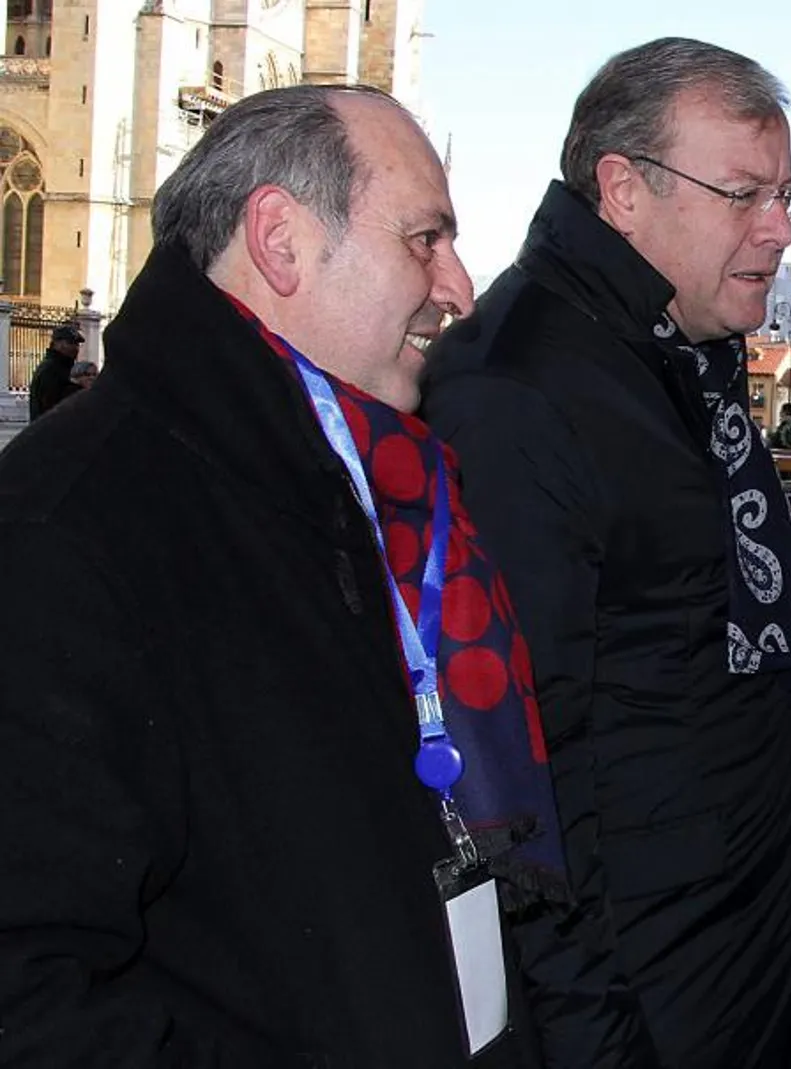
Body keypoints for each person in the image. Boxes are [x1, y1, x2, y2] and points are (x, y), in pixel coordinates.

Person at [0, 84, 568, 1066]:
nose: (460, 287)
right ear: (281, 239)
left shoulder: (362, 475)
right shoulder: (68, 528)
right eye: (425, 239)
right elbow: (35, 994)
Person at [420, 38, 791, 1068]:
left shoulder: (672, 352)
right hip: (648, 991)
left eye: (787, 193)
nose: (778, 228)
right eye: (743, 194)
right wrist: (595, 1042)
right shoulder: (519, 390)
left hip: (740, 942)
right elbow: (507, 778)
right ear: (623, 192)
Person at [26, 323, 85, 419]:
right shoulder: (51, 369)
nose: (75, 348)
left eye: (77, 344)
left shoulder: (64, 366)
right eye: (70, 343)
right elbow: (53, 404)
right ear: (57, 343)